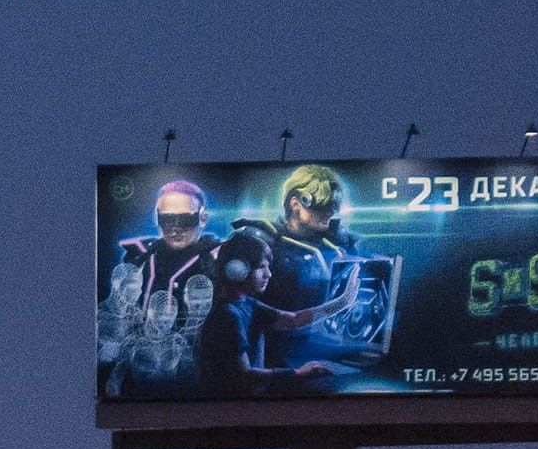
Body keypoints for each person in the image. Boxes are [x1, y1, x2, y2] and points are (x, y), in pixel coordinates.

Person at [99, 179, 227, 395]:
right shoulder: (139, 256)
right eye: (167, 219)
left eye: (185, 219)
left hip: (201, 374)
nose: (175, 227)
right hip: (140, 371)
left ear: (202, 218)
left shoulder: (218, 258)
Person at [195, 230, 342, 396]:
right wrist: (298, 373)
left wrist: (341, 303)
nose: (268, 274)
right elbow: (245, 375)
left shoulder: (246, 304)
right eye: (261, 267)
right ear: (237, 270)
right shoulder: (228, 315)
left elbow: (294, 320)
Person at [251, 164, 367, 368]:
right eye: (322, 205)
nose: (329, 213)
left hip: (334, 349)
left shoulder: (340, 243)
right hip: (275, 355)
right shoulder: (264, 240)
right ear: (296, 204)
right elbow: (248, 311)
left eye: (333, 205)